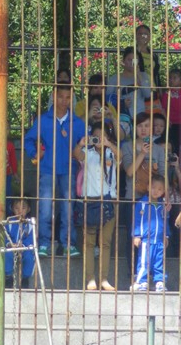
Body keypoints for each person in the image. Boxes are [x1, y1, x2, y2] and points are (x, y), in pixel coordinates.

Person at [25, 84, 85, 258]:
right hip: (47, 168)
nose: (64, 101)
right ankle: (44, 243)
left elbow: (85, 145)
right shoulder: (43, 120)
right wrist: (35, 153)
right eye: (60, 97)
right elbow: (28, 139)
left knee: (67, 207)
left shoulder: (77, 122)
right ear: (53, 96)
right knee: (44, 207)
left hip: (69, 169)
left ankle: (68, 244)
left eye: (68, 97)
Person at [73, 121, 121, 291]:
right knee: (89, 243)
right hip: (89, 200)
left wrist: (109, 145)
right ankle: (90, 279)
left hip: (109, 201)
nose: (100, 139)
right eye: (97, 136)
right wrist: (81, 143)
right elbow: (77, 155)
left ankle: (104, 279)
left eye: (104, 136)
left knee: (105, 242)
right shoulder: (88, 152)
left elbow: (120, 157)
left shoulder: (112, 153)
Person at [121, 112, 166, 281]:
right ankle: (134, 274)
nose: (143, 129)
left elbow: (162, 176)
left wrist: (164, 196)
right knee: (133, 237)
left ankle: (154, 276)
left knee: (154, 238)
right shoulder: (127, 147)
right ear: (135, 128)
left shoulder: (160, 150)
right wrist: (141, 153)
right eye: (140, 126)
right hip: (132, 197)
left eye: (147, 125)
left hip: (153, 200)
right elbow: (130, 171)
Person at [132, 174, 170, 292]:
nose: (156, 191)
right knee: (144, 262)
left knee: (159, 263)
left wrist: (166, 235)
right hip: (145, 240)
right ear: (148, 187)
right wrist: (136, 235)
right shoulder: (141, 203)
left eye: (159, 189)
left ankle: (159, 282)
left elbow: (166, 220)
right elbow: (136, 220)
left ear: (163, 191)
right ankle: (141, 282)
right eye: (153, 187)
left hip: (159, 240)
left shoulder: (162, 205)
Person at [106, 46, 151, 117]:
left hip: (139, 116)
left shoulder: (143, 76)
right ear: (123, 61)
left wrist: (139, 75)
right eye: (129, 60)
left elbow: (147, 94)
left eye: (135, 60)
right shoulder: (114, 78)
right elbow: (107, 99)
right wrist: (121, 103)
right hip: (121, 117)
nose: (132, 63)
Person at [4, 198, 35, 289]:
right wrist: (9, 244)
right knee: (7, 255)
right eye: (17, 208)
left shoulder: (30, 224)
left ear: (28, 209)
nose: (20, 211)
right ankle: (9, 276)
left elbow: (31, 238)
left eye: (23, 208)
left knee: (29, 257)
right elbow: (6, 236)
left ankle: (25, 278)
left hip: (24, 248)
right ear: (12, 209)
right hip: (12, 247)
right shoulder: (9, 222)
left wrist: (24, 245)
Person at [161, 67, 181, 157]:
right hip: (171, 123)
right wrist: (167, 120)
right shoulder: (167, 93)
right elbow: (163, 109)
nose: (171, 80)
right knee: (174, 144)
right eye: (170, 77)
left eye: (175, 77)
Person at [135, 24, 161, 89]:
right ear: (135, 36)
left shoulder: (154, 55)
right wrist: (139, 47)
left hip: (152, 88)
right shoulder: (131, 51)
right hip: (138, 89)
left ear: (149, 37)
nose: (143, 36)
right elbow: (132, 66)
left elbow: (156, 74)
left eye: (145, 34)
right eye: (140, 33)